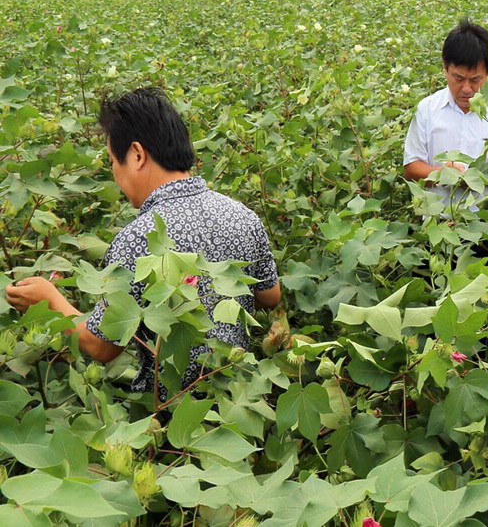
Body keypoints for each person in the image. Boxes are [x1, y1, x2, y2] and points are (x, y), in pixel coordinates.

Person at [5, 87, 281, 397]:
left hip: (171, 407)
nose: (114, 173)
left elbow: (102, 345)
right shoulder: (241, 215)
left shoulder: (139, 237)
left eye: (113, 161)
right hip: (237, 392)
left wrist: (50, 300)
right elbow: (269, 296)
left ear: (136, 155)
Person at [403, 19, 488, 213]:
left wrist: (486, 176)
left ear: (487, 74)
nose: (467, 88)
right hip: (438, 221)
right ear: (445, 68)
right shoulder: (427, 110)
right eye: (458, 78)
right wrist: (444, 174)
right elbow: (411, 168)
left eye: (475, 79)